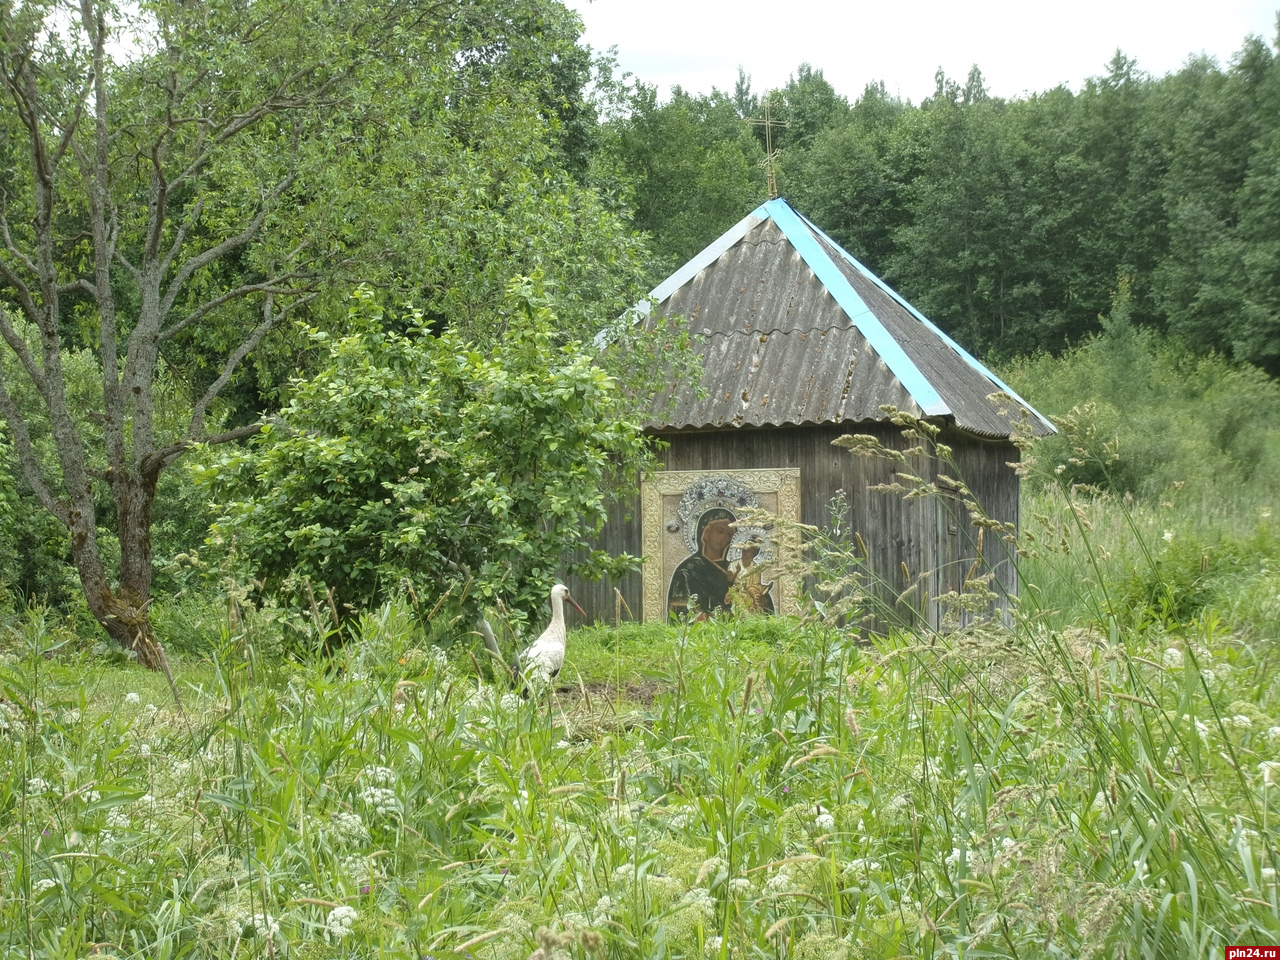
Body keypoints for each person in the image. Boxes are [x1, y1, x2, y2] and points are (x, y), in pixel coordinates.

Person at [666, 508, 737, 620]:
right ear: (706, 533)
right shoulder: (688, 570)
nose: (724, 538)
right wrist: (723, 617)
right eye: (720, 531)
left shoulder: (733, 569)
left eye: (729, 534)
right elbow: (681, 614)